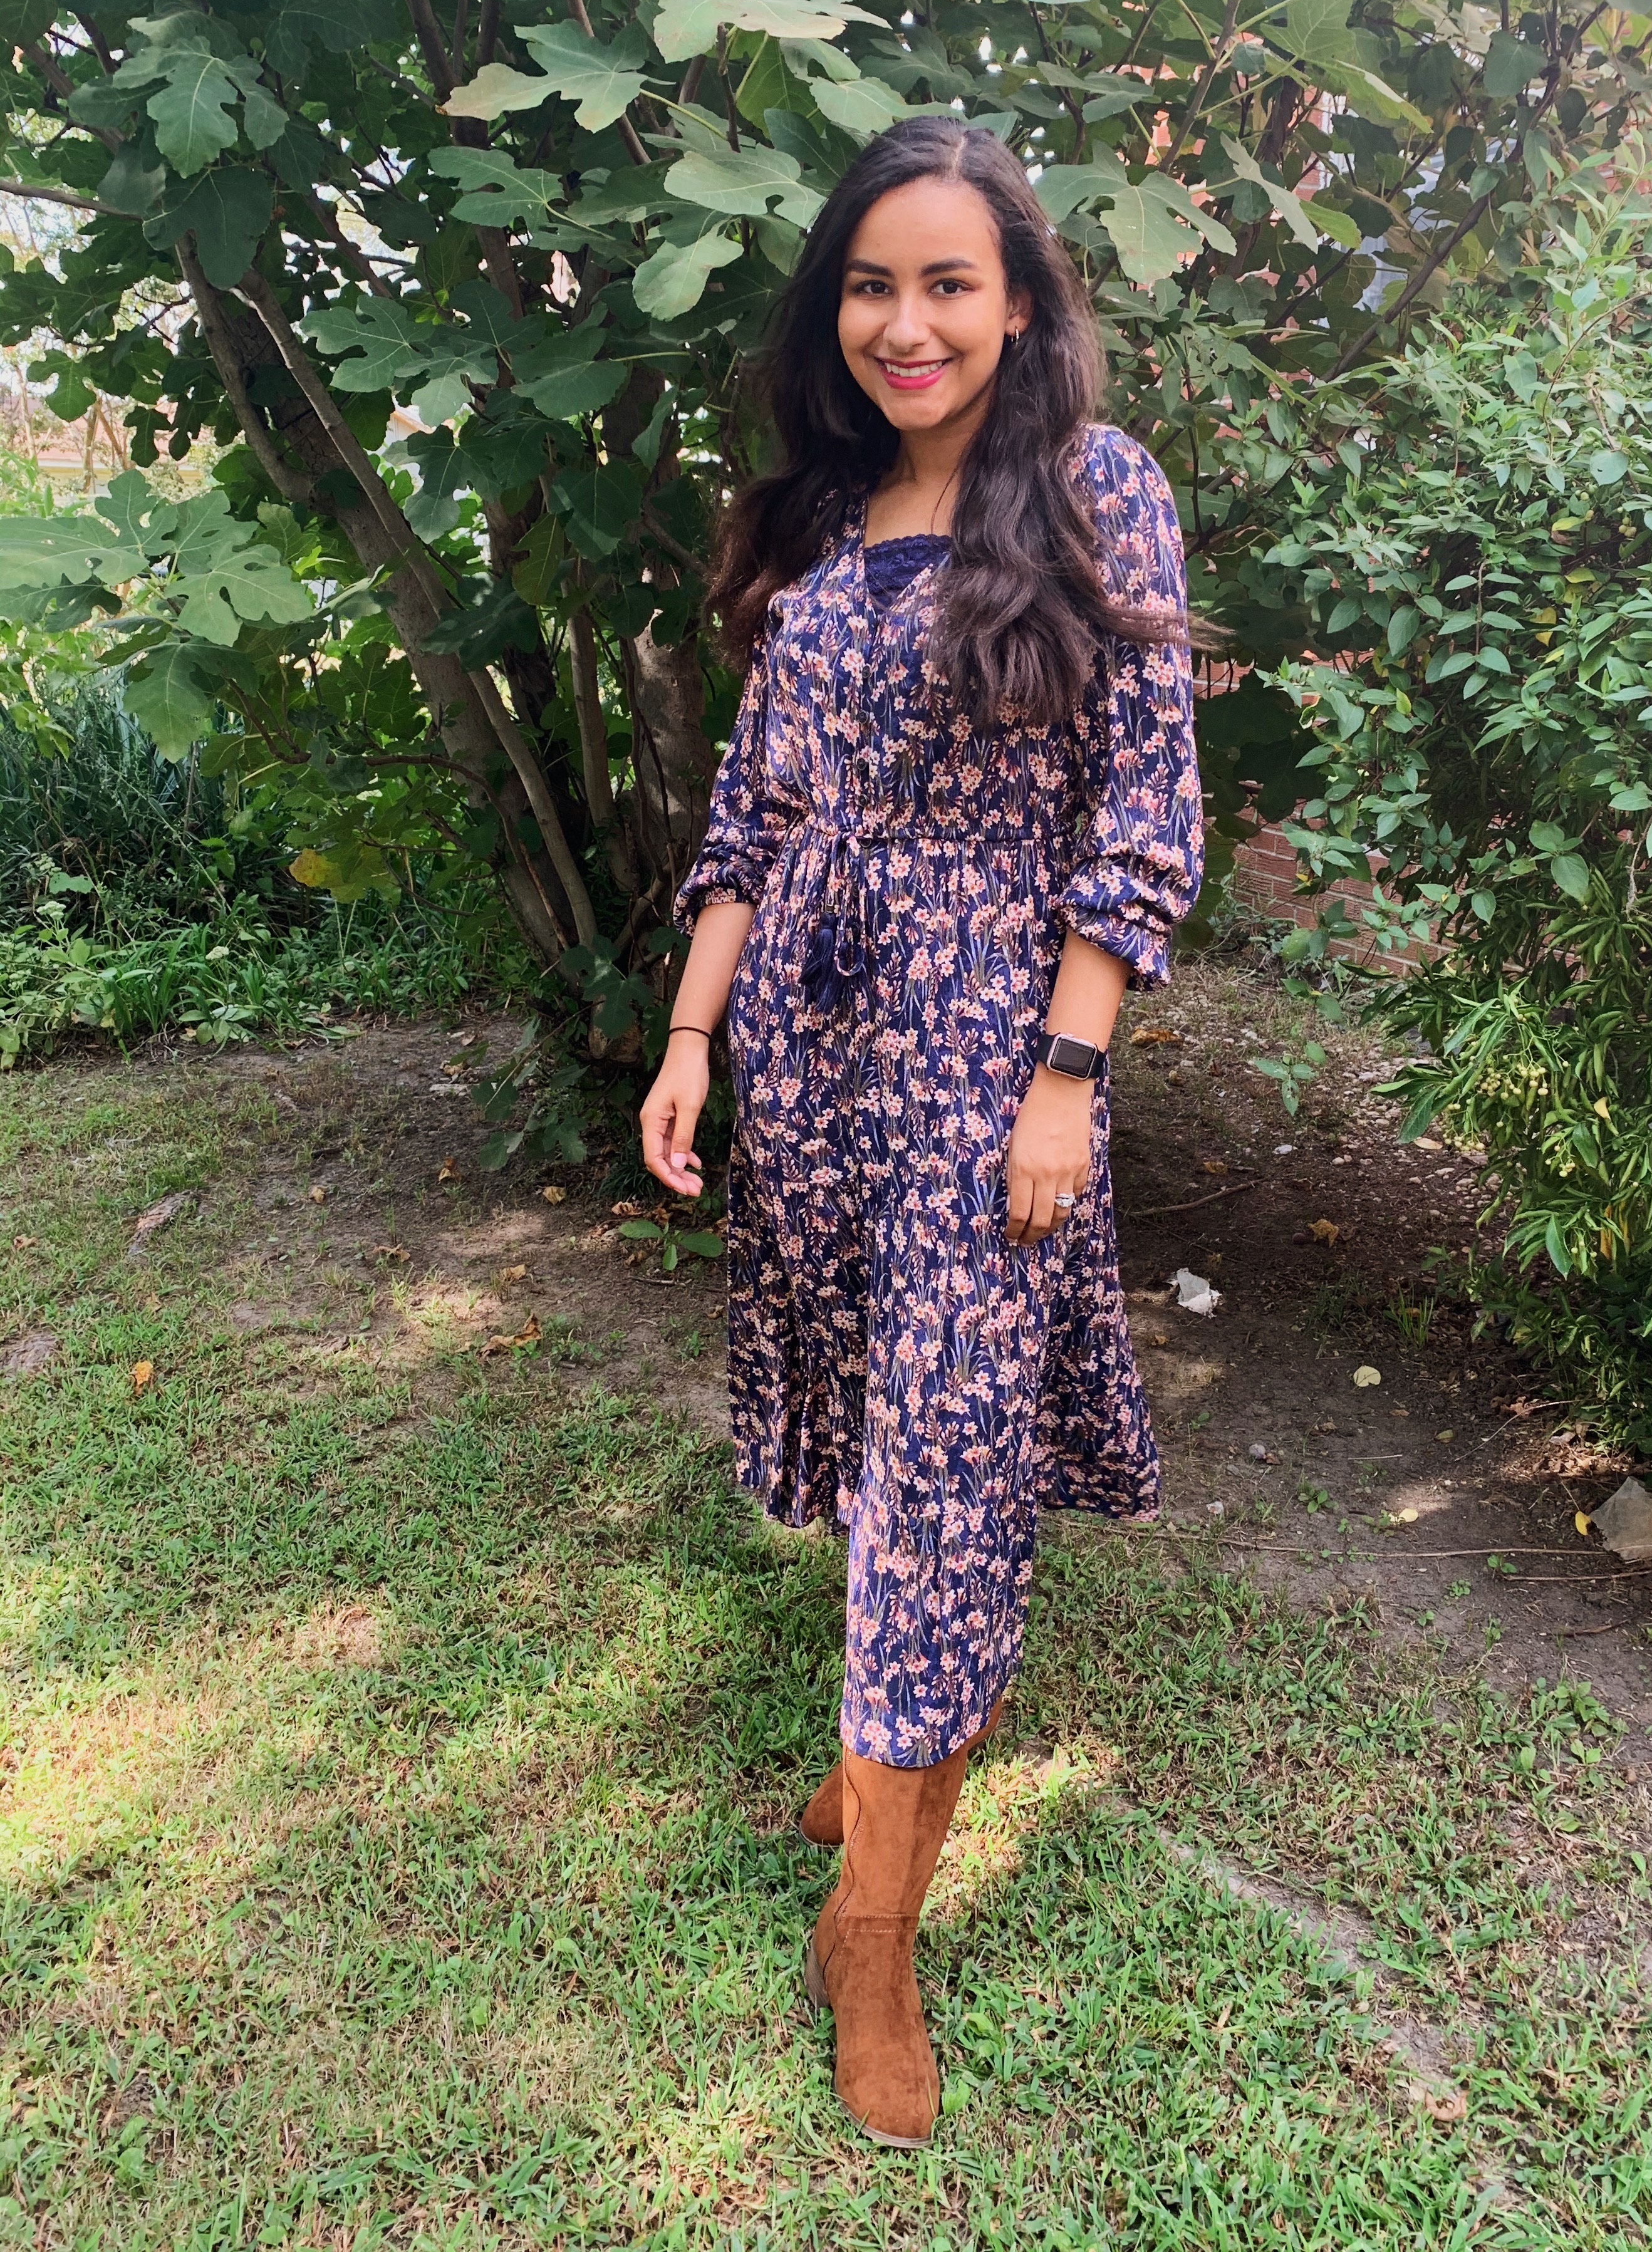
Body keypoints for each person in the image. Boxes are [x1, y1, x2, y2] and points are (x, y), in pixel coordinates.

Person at [639, 115, 1204, 2148]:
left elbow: (1147, 823)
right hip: (800, 1048)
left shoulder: (1091, 494)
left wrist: (1068, 1077)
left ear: (1025, 301)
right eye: (872, 284)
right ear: (834, 311)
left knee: (953, 1471)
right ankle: (880, 1749)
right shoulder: (810, 517)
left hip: (986, 1069)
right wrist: (693, 1034)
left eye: (951, 281)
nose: (909, 322)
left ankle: (868, 1927)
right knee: (882, 1438)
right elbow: (751, 815)